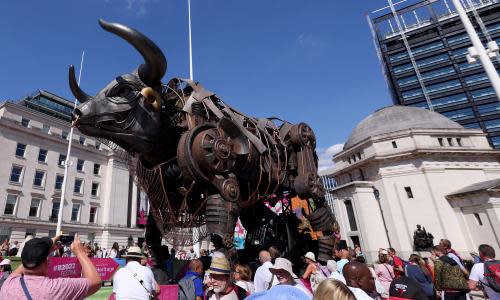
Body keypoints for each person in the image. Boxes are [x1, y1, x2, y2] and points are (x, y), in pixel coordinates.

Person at [0, 234, 101, 299]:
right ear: (47, 262)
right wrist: (80, 252)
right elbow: (95, 282)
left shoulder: (8, 284)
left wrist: (43, 250)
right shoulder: (56, 287)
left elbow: (27, 261)